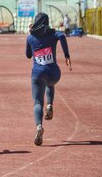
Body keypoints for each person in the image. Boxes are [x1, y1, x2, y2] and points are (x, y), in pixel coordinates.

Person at [26, 12, 72, 146]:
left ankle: (39, 127)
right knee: (50, 84)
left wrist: (31, 36)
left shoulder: (31, 37)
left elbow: (28, 55)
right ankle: (50, 104)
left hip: (37, 74)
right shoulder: (53, 34)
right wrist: (67, 56)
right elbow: (62, 36)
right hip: (54, 73)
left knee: (37, 102)